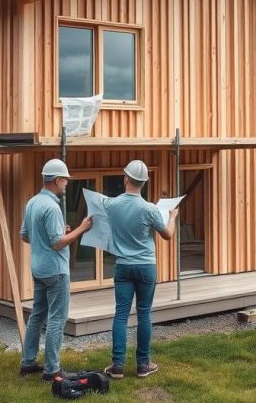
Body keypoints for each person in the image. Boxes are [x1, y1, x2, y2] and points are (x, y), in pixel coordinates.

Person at [103, 159, 179, 379]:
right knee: (144, 313)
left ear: (126, 179)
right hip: (146, 266)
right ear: (144, 183)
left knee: (121, 315)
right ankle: (143, 365)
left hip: (123, 267)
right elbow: (167, 235)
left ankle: (117, 366)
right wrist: (172, 217)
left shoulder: (111, 205)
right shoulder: (150, 209)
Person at [19, 158, 93, 380]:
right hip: (56, 271)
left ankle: (28, 362)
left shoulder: (33, 202)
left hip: (39, 269)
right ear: (57, 180)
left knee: (37, 316)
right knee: (57, 319)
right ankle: (52, 369)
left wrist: (60, 231)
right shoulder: (52, 207)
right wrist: (81, 228)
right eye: (65, 180)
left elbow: (25, 234)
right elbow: (57, 243)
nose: (67, 184)